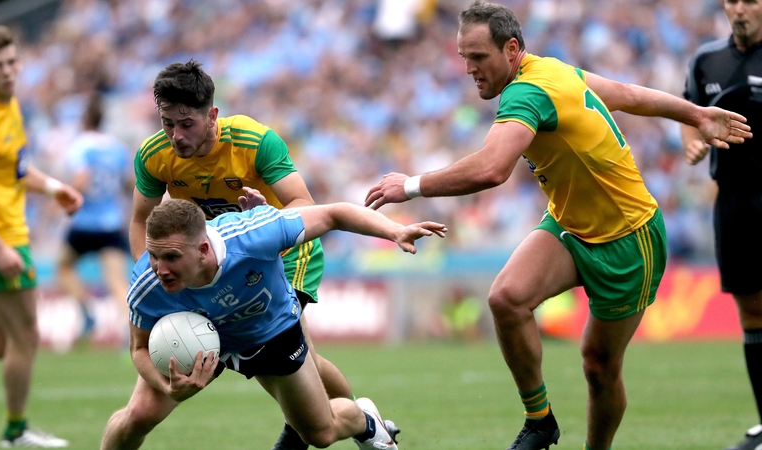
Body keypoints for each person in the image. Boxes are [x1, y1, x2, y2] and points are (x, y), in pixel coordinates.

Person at [364, 2, 752, 449]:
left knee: (599, 366)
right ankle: (540, 421)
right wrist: (696, 114)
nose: (468, 69)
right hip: (570, 226)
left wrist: (410, 185)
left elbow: (492, 168)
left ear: (512, 49)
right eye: (463, 56)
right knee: (507, 299)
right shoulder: (552, 70)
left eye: (478, 57)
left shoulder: (528, 91)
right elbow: (625, 93)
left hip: (628, 238)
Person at [100, 196, 446, 450]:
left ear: (203, 249)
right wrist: (167, 386)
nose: (160, 269)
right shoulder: (146, 284)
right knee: (137, 416)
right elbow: (139, 348)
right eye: (154, 255)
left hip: (270, 331)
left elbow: (335, 213)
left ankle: (366, 421)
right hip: (202, 343)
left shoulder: (255, 234)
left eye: (171, 257)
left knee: (320, 433)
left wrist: (395, 230)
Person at [130, 59, 354, 450]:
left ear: (212, 115)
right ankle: (354, 421)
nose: (176, 136)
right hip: (213, 264)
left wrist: (260, 219)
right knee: (296, 362)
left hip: (281, 252)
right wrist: (154, 278)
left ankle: (342, 421)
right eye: (167, 123)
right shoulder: (153, 155)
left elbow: (303, 204)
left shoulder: (254, 141)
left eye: (187, 124)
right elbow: (140, 221)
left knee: (293, 354)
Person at [0, 26, 83, 447]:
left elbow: (13, 168)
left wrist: (53, 187)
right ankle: (15, 432)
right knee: (25, 336)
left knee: (1, 341)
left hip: (1, 239)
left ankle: (16, 430)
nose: (7, 71)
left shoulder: (8, 104)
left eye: (12, 62)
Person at [680, 1, 762, 449]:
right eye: (732, 0)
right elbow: (688, 113)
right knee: (751, 313)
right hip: (732, 200)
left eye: (749, 0)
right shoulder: (706, 60)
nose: (739, 9)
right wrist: (692, 142)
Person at [56, 93, 133, 343]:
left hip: (84, 224)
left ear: (84, 120)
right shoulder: (117, 148)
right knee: (116, 280)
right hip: (111, 223)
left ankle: (87, 310)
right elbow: (128, 183)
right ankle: (130, 332)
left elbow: (82, 178)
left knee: (63, 267)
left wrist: (65, 197)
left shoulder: (81, 145)